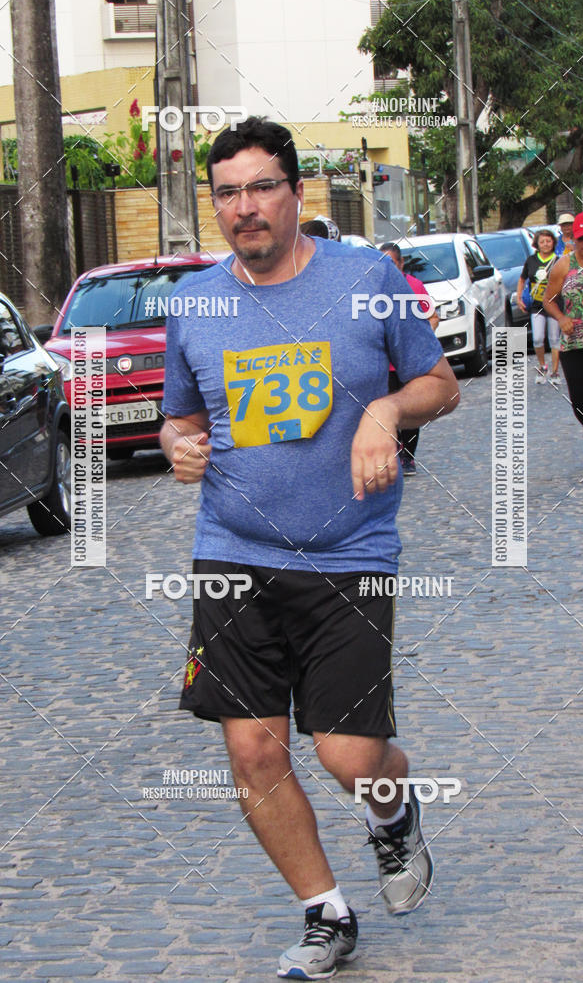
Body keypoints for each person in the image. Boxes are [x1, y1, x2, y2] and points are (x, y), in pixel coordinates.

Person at [159, 117, 459, 981]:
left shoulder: (369, 281)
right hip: (233, 551)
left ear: (296, 193)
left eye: (261, 188)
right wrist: (181, 447)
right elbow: (183, 419)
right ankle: (325, 910)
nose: (244, 208)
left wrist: (383, 410)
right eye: (227, 193)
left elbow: (438, 382)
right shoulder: (195, 304)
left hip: (350, 553)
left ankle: (392, 815)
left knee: (347, 753)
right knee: (253, 749)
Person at [543, 211, 583, 465]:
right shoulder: (563, 265)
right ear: (574, 239)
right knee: (580, 401)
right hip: (573, 342)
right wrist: (561, 318)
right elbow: (549, 300)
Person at [380, 241, 440, 475]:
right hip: (385, 364)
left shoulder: (414, 286)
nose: (387, 268)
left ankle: (408, 457)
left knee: (411, 409)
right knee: (388, 408)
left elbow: (433, 318)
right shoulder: (373, 288)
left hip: (409, 362)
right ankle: (393, 453)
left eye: (392, 263)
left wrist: (419, 342)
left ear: (401, 263)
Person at [516, 229, 560, 384]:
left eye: (548, 241)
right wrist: (519, 297)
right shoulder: (531, 261)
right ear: (537, 244)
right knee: (537, 338)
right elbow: (522, 280)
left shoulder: (558, 260)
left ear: (553, 243)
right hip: (536, 305)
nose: (545, 244)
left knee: (554, 339)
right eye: (542, 241)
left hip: (554, 305)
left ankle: (555, 372)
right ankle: (543, 366)